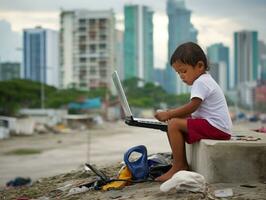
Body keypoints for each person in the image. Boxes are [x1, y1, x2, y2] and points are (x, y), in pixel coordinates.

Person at [154, 42, 232, 182]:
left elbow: (192, 107)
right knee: (173, 122)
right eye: (178, 73)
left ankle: (179, 165)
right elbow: (194, 111)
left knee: (173, 124)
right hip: (216, 126)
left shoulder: (201, 82)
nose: (181, 76)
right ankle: (178, 161)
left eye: (184, 71)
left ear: (200, 66)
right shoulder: (204, 80)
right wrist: (171, 114)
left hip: (216, 127)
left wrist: (169, 114)